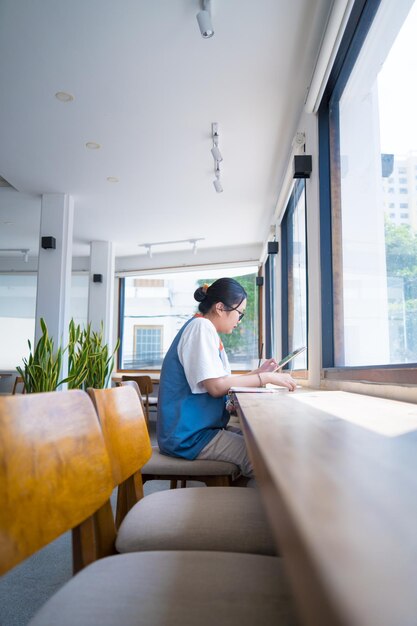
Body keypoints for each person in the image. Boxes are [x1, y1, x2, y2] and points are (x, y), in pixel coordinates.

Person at [157, 277, 297, 478]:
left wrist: (257, 374)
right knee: (264, 457)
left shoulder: (204, 328)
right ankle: (256, 508)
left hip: (196, 430)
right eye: (240, 314)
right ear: (220, 308)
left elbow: (219, 380)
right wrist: (263, 378)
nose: (239, 322)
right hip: (189, 436)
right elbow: (216, 386)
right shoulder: (201, 328)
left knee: (261, 442)